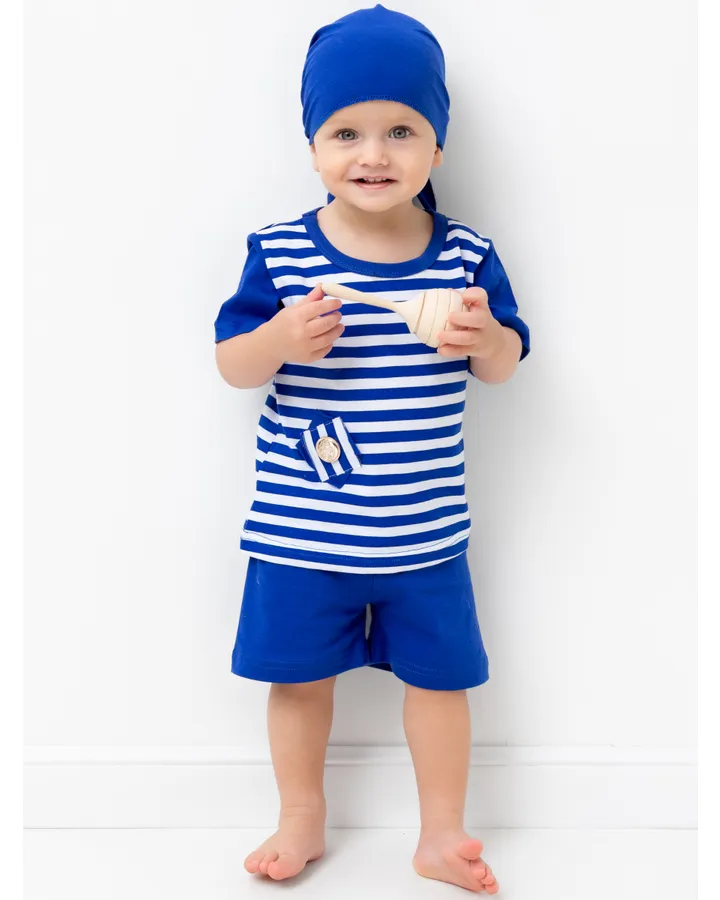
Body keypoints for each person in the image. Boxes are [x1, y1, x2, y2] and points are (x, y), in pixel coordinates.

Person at [214, 4, 530, 893]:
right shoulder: (281, 255)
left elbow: (505, 363)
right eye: (346, 132)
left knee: (440, 684)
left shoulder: (465, 258)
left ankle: (441, 834)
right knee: (298, 681)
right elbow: (232, 366)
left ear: (438, 148)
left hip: (425, 535)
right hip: (301, 535)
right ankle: (300, 817)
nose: (374, 154)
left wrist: (485, 339)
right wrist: (278, 339)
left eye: (402, 130)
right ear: (313, 147)